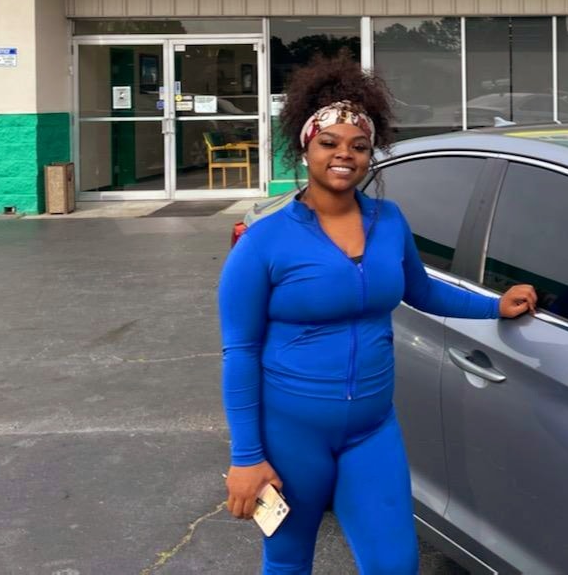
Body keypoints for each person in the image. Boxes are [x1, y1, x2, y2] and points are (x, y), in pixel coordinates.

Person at [218, 55, 537, 575]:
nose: (344, 154)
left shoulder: (389, 221)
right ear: (305, 147)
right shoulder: (263, 242)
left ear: (371, 154)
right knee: (288, 560)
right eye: (329, 142)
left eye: (359, 145)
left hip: (371, 430)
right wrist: (247, 457)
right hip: (291, 432)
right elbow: (239, 352)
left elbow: (422, 290)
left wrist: (494, 306)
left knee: (395, 563)